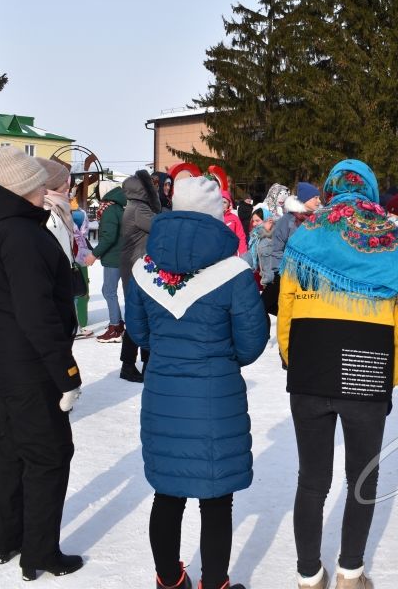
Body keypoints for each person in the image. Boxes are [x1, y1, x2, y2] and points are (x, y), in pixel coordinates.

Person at [277, 160, 398, 589]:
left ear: (332, 188)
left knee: (312, 479)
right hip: (368, 368)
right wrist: (390, 376)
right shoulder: (391, 241)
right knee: (362, 478)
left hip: (311, 367)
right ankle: (350, 573)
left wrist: (292, 357)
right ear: (371, 190)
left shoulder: (305, 234)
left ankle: (307, 575)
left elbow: (286, 307)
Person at [125, 175, 268, 589]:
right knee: (216, 500)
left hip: (163, 398)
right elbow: (251, 343)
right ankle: (216, 584)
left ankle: (169, 580)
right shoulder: (233, 272)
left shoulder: (145, 269)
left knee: (167, 494)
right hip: (215, 400)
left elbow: (139, 333)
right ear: (215, 215)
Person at [0, 146, 83, 581]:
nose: (47, 190)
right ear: (23, 188)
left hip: (3, 352)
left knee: (14, 445)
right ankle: (39, 553)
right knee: (50, 453)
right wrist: (65, 372)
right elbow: (36, 312)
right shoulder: (22, 234)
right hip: (27, 359)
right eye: (39, 183)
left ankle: (10, 539)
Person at [118, 170, 162, 382]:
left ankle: (133, 364)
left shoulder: (134, 207)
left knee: (137, 317)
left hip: (134, 267)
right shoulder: (140, 209)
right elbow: (161, 226)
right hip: (138, 269)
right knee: (143, 318)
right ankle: (143, 365)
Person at [262, 183, 320, 315]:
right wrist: (278, 272)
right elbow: (277, 248)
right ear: (305, 199)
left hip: (310, 275)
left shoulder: (318, 220)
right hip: (286, 273)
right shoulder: (287, 220)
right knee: (265, 304)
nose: (319, 201)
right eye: (315, 197)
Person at [85, 185, 127, 342]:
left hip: (113, 258)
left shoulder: (109, 211)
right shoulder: (116, 208)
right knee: (108, 291)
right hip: (119, 256)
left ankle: (115, 327)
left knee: (109, 292)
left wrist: (94, 254)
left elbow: (109, 237)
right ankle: (118, 323)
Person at [70, 202, 92, 337]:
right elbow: (84, 232)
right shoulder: (82, 213)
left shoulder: (62, 213)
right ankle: (82, 319)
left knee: (71, 289)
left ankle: (76, 321)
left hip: (70, 254)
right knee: (83, 287)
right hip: (82, 254)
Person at [222, 190, 248, 257]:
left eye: (224, 202)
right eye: (219, 201)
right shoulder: (212, 216)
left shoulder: (234, 218)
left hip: (231, 255)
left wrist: (242, 253)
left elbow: (241, 237)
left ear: (229, 204)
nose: (221, 204)